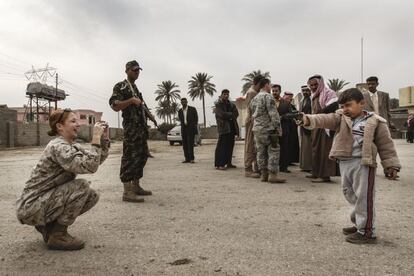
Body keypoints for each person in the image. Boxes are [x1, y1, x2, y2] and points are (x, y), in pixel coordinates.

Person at [300, 88, 401, 244]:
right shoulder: (340, 118)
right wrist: (306, 119)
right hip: (345, 162)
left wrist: (391, 165)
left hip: (363, 164)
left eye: (348, 105)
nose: (344, 109)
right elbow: (324, 119)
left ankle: (367, 232)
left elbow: (386, 145)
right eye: (342, 106)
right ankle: (359, 224)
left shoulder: (375, 121)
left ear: (362, 103)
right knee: (350, 195)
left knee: (364, 197)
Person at [16, 109, 109, 250]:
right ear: (60, 126)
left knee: (91, 195)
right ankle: (58, 235)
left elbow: (95, 161)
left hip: (43, 201)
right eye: (73, 121)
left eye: (77, 121)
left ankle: (49, 229)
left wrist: (103, 139)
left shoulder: (71, 146)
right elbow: (90, 166)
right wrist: (95, 137)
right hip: (31, 206)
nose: (78, 124)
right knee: (82, 186)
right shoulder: (58, 147)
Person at [109, 60, 157, 203]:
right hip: (131, 129)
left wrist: (151, 117)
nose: (137, 73)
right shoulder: (121, 86)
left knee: (141, 157)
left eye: (138, 70)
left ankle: (136, 186)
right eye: (134, 70)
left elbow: (142, 105)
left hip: (141, 129)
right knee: (129, 158)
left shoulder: (135, 88)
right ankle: (127, 192)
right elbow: (114, 105)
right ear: (127, 70)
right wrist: (130, 101)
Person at [250, 78, 286, 183]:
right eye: (270, 85)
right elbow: (274, 114)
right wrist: (278, 128)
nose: (270, 87)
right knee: (274, 150)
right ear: (266, 85)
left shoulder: (254, 99)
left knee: (260, 152)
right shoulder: (268, 97)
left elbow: (253, 114)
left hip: (257, 130)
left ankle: (263, 175)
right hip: (269, 130)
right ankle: (273, 175)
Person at [307, 75, 340, 182]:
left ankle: (325, 175)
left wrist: (320, 113)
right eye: (311, 85)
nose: (313, 87)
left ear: (320, 83)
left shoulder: (329, 93)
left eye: (315, 84)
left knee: (324, 150)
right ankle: (316, 173)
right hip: (316, 125)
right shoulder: (313, 96)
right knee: (316, 149)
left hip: (325, 125)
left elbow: (334, 106)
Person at [244, 75, 264, 178]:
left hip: (255, 121)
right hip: (252, 121)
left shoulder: (256, 92)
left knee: (256, 145)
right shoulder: (251, 92)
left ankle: (257, 168)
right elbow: (251, 109)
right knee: (250, 145)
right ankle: (248, 169)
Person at [214, 89, 239, 170]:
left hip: (231, 128)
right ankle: (220, 164)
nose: (226, 95)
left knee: (230, 146)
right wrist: (231, 115)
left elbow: (236, 114)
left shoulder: (231, 105)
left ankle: (229, 163)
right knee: (222, 147)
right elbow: (221, 114)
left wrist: (229, 115)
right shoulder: (218, 105)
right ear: (221, 95)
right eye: (224, 94)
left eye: (227, 94)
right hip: (223, 128)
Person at [272, 85, 291, 173]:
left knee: (284, 148)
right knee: (273, 148)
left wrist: (282, 117)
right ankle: (273, 167)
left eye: (276, 91)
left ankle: (284, 167)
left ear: (280, 91)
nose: (274, 93)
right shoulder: (269, 101)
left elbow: (290, 115)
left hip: (284, 128)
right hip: (272, 129)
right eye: (273, 91)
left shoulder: (286, 103)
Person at [178, 98, 199, 163]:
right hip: (184, 129)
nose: (184, 103)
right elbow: (181, 120)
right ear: (181, 103)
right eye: (182, 102)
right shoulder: (180, 111)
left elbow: (196, 119)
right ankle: (187, 159)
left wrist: (193, 126)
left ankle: (191, 159)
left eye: (185, 102)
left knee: (190, 144)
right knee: (184, 144)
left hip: (191, 129)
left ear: (187, 102)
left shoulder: (192, 109)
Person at [283, 91, 300, 166]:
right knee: (285, 145)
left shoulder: (292, 106)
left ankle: (290, 160)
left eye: (290, 98)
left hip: (292, 128)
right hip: (285, 127)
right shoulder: (283, 105)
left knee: (291, 144)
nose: (289, 99)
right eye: (288, 98)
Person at [299, 85, 312, 172]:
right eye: (303, 91)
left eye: (307, 91)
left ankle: (310, 167)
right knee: (304, 146)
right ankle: (304, 166)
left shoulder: (311, 100)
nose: (305, 92)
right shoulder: (302, 100)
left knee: (309, 146)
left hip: (310, 125)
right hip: (303, 125)